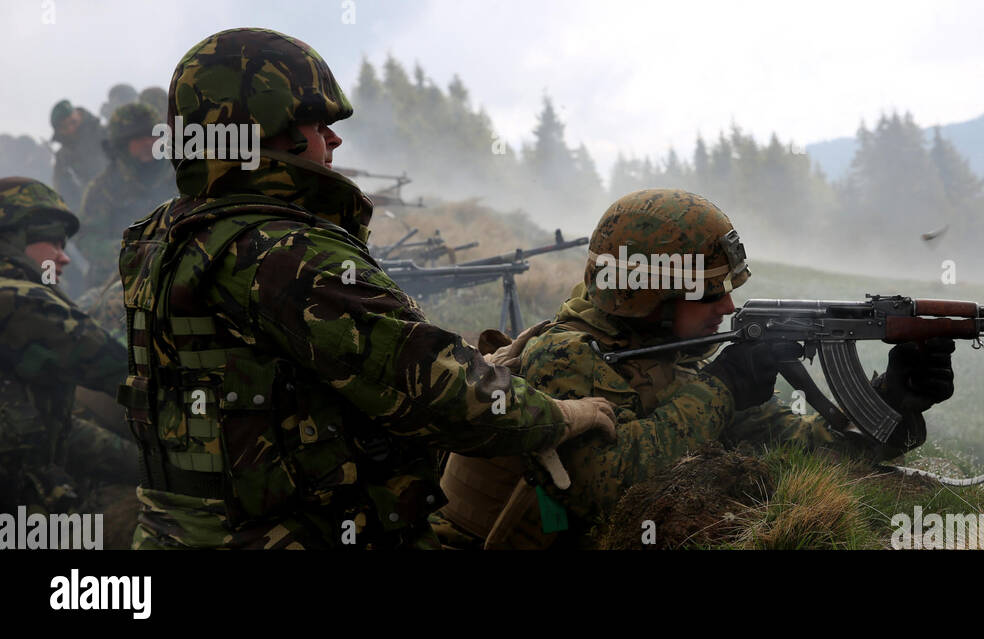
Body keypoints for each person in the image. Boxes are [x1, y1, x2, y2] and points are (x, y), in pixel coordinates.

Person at [119, 27, 615, 550]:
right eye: (315, 122)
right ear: (269, 135)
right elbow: (443, 394)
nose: (333, 139)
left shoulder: (157, 237)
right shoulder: (284, 252)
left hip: (172, 530)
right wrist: (561, 416)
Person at [436, 189, 956, 548]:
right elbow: (598, 491)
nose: (727, 308)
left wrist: (893, 400)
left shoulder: (680, 368)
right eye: (710, 293)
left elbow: (809, 454)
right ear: (650, 295)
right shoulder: (564, 356)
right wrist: (721, 390)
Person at [0, 176, 136, 516]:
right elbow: (123, 373)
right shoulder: (20, 300)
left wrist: (140, 466)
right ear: (15, 240)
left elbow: (58, 430)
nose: (65, 259)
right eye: (55, 245)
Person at [79, 102, 176, 277]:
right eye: (137, 138)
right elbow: (88, 240)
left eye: (151, 135)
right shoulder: (103, 188)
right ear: (122, 144)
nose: (147, 142)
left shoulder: (181, 173)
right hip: (125, 274)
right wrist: (131, 250)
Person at [48, 100, 108, 212]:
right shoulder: (62, 157)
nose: (71, 129)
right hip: (88, 211)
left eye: (73, 122)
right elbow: (62, 190)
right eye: (64, 127)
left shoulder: (105, 134)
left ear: (79, 116)